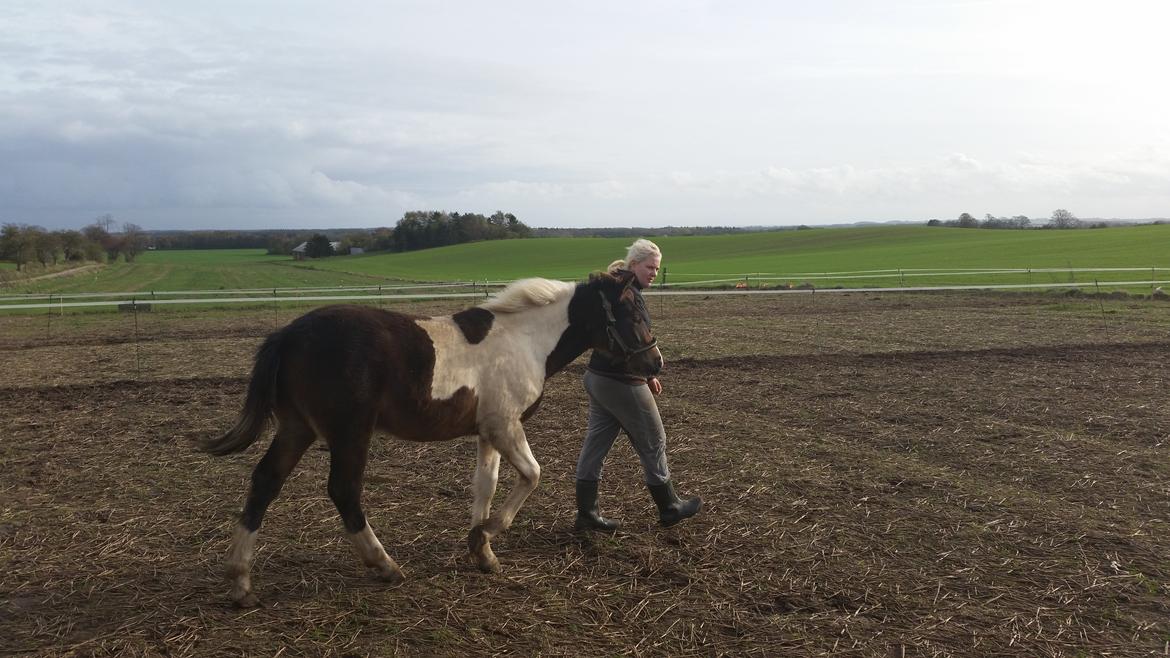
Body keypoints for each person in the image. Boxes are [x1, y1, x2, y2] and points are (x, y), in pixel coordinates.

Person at [574, 239, 702, 531]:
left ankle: (586, 513)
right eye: (649, 267)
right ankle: (669, 506)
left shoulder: (620, 288)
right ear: (634, 264)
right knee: (654, 439)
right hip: (621, 381)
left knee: (596, 443)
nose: (654, 272)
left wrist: (649, 375)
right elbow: (626, 338)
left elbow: (626, 340)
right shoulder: (625, 293)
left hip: (598, 377)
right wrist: (643, 374)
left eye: (657, 268)